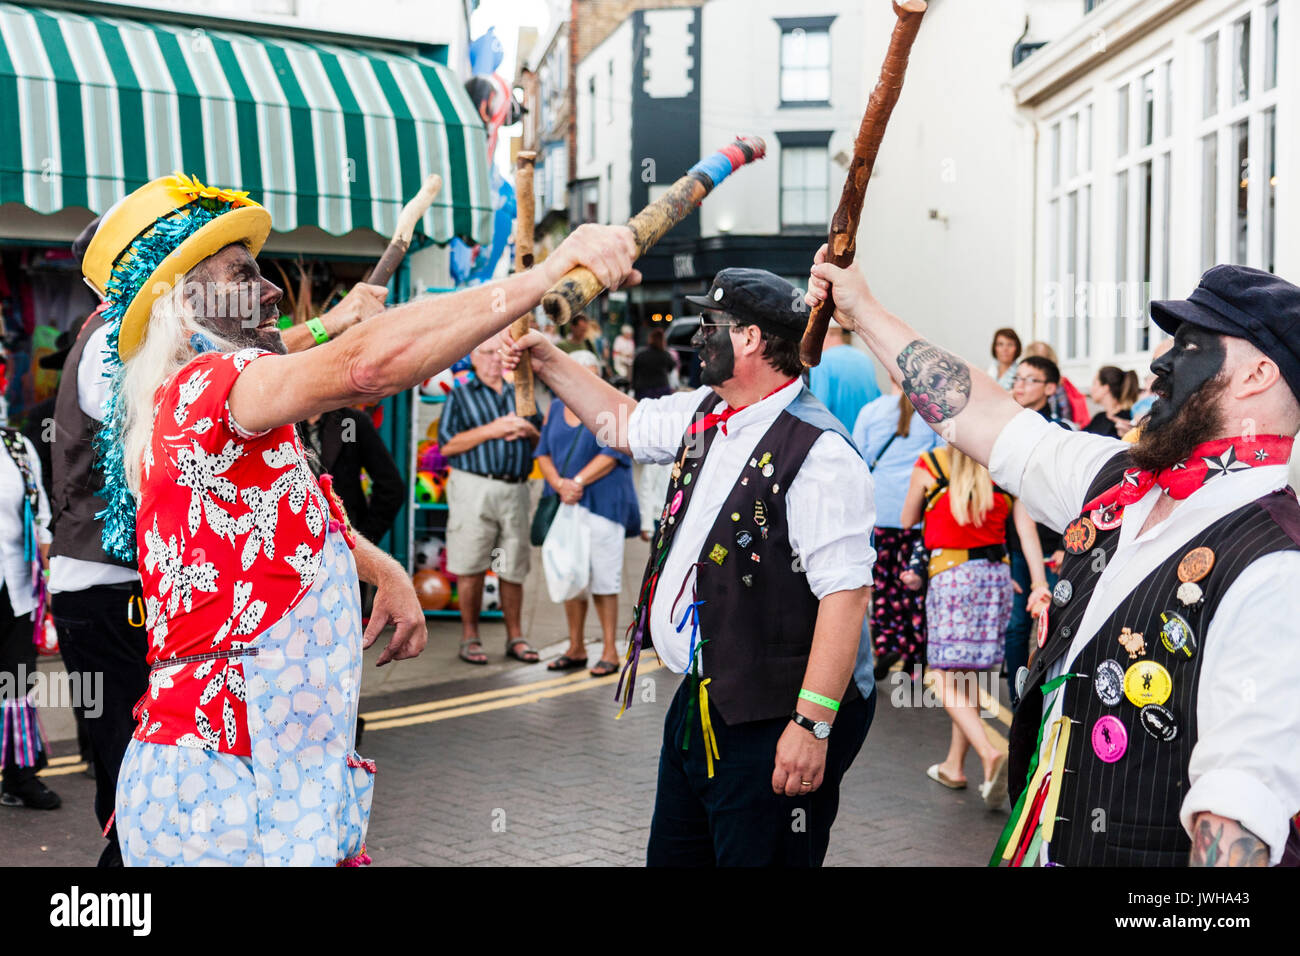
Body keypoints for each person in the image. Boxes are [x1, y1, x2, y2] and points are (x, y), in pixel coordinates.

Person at [85, 172, 635, 866]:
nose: (271, 291)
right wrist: (546, 274)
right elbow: (367, 366)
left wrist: (384, 567)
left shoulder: (230, 403)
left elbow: (298, 510)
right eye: (244, 274)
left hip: (277, 778)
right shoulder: (203, 388)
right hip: (224, 792)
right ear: (184, 302)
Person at [809, 253, 1300, 867]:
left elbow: (1240, 805)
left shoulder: (1275, 564)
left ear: (1257, 375)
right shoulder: (1121, 480)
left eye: (1193, 345)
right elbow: (981, 415)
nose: (1161, 362)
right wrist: (865, 312)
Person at [504, 267, 876, 867]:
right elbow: (621, 423)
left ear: (751, 339)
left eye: (711, 324)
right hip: (704, 697)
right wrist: (545, 359)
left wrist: (813, 727)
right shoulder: (707, 413)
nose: (697, 338)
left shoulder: (821, 454)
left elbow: (846, 599)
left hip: (774, 715)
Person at [51, 215, 381, 867]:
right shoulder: (116, 346)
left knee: (162, 737)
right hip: (109, 578)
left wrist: (335, 325)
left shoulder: (191, 357)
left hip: (156, 580)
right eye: (240, 275)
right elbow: (225, 387)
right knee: (143, 744)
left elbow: (258, 383)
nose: (265, 292)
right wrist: (338, 329)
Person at [900, 444, 1046, 805]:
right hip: (995, 578)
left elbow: (906, 520)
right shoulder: (1004, 467)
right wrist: (1040, 585)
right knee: (965, 676)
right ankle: (954, 766)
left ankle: (988, 752)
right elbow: (1027, 534)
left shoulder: (932, 463)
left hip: (951, 576)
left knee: (939, 675)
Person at [438, 336, 543, 666]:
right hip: (474, 488)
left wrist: (529, 432)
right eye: (488, 353)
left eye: (501, 354)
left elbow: (542, 442)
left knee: (512, 566)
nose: (496, 359)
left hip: (516, 488)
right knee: (471, 564)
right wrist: (494, 429)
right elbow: (447, 446)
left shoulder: (521, 394)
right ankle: (470, 637)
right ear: (474, 357)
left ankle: (516, 637)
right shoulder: (460, 394)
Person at [535, 350, 640, 676]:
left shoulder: (610, 407)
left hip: (603, 503)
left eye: (589, 373)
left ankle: (610, 649)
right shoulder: (554, 408)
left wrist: (575, 482)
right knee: (571, 574)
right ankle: (576, 646)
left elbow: (613, 452)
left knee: (604, 578)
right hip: (568, 505)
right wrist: (558, 484)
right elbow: (543, 452)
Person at [853, 388, 942, 678]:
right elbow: (940, 461)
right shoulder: (933, 412)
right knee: (915, 588)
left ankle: (886, 642)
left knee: (882, 586)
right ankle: (915, 656)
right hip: (917, 515)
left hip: (881, 511)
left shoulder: (871, 411)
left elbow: (860, 460)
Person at [1005, 354, 1071, 708]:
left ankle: (1047, 698)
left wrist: (1068, 543)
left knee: (1055, 621)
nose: (1020, 384)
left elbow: (1071, 494)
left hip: (1056, 541)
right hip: (1015, 542)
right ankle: (1018, 699)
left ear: (1049, 388)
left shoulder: (1061, 432)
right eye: (1018, 377)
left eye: (1030, 380)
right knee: (1017, 625)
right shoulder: (1007, 429)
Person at [0, 424, 56, 811]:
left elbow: (40, 517)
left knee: (16, 682)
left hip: (16, 588)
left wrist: (49, 581)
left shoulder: (16, 445)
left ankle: (20, 775)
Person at [300, 407, 405, 545]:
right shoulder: (281, 424)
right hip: (293, 542)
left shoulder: (352, 422)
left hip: (342, 540)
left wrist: (363, 541)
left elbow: (392, 487)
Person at [808, 318, 882, 432]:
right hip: (866, 440)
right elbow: (877, 401)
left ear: (824, 333)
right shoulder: (864, 359)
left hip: (840, 441)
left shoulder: (822, 362)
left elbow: (818, 412)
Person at [1085, 366, 1139, 439]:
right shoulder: (1099, 417)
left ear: (1105, 388)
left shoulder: (1128, 420)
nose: (1091, 388)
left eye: (1094, 383)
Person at [631, 327, 677, 400]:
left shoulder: (641, 355)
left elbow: (634, 374)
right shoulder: (665, 355)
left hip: (643, 390)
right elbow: (671, 368)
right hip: (661, 389)